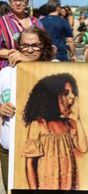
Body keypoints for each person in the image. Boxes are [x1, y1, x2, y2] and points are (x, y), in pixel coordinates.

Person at [0, 27, 54, 191]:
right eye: (25, 46)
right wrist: (0, 108)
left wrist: (28, 63)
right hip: (10, 151)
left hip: (45, 153)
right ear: (18, 46)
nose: (30, 50)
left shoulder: (55, 67)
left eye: (35, 45)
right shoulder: (5, 72)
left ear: (43, 46)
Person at [22, 73, 87, 190]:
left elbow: (83, 148)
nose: (72, 97)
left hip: (68, 184)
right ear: (52, 96)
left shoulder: (68, 123)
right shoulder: (39, 124)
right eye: (66, 93)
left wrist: (77, 119)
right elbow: (30, 164)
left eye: (72, 93)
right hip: (47, 185)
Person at [0, 0, 43, 69]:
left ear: (27, 2)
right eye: (14, 0)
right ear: (9, 2)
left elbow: (46, 45)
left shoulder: (36, 22)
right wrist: (15, 54)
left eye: (22, 0)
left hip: (33, 68)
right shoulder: (2, 22)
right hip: (9, 69)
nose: (18, 3)